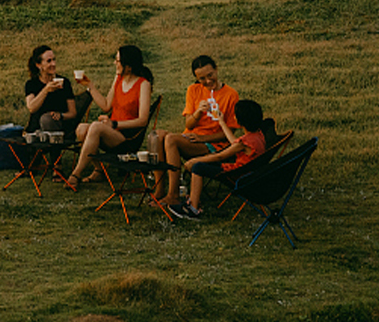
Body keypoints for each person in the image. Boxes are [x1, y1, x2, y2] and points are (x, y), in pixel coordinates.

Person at [156, 55, 240, 206]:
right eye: (202, 78)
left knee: (171, 139)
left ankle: (173, 194)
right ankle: (159, 190)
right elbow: (189, 123)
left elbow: (229, 134)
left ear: (216, 69)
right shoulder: (193, 90)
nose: (207, 81)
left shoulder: (231, 95)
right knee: (157, 135)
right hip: (191, 138)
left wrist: (203, 139)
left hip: (213, 145)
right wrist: (198, 113)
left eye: (210, 75)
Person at [168, 99, 270, 220]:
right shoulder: (257, 135)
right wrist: (222, 122)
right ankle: (193, 199)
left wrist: (194, 161)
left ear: (239, 121)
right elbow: (234, 143)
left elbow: (220, 156)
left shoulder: (244, 142)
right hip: (249, 171)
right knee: (204, 163)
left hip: (237, 174)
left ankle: (193, 209)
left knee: (198, 167)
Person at [67, 45, 153, 187]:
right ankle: (99, 171)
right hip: (112, 130)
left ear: (129, 66)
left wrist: (114, 124)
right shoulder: (118, 79)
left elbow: (143, 120)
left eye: (118, 61)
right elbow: (106, 105)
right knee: (81, 128)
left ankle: (76, 174)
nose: (115, 63)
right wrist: (90, 86)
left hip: (127, 136)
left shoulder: (143, 84)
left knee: (95, 127)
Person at [23, 45, 90, 133]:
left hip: (57, 129)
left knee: (47, 120)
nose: (53, 64)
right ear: (39, 65)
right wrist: (46, 90)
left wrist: (61, 115)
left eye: (54, 60)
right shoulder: (32, 84)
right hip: (35, 130)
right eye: (49, 61)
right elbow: (32, 108)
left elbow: (73, 113)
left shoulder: (64, 82)